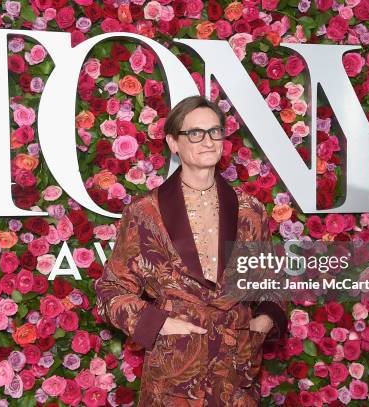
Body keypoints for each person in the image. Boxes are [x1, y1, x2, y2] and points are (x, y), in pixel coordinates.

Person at [95, 95, 288, 406]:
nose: (207, 141)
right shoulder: (146, 212)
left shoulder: (250, 209)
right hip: (174, 372)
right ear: (174, 142)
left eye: (214, 131)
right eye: (195, 133)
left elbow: (272, 283)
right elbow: (110, 290)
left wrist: (262, 322)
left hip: (235, 374)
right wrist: (160, 325)